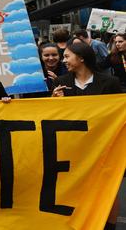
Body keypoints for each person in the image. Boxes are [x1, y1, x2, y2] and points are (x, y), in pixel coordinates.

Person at [51, 42, 122, 228]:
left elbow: (118, 113)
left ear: (81, 58)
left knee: (108, 190)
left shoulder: (110, 83)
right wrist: (55, 103)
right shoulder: (61, 83)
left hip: (104, 145)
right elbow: (54, 115)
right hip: (73, 146)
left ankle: (109, 226)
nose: (63, 60)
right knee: (76, 188)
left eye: (67, 56)